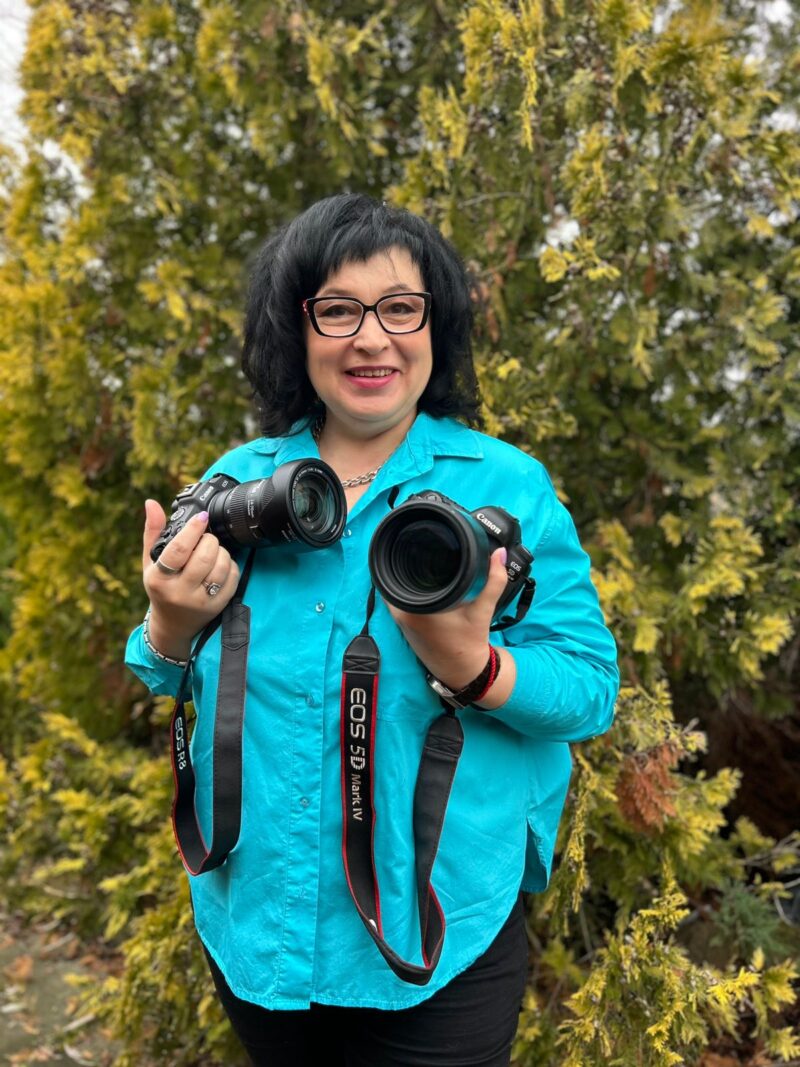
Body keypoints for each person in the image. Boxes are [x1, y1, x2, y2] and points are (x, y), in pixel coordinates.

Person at [125, 193, 619, 1067]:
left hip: (440, 929)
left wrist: (474, 667)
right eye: (338, 311)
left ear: (435, 324)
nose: (371, 338)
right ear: (298, 328)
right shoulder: (243, 483)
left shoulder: (507, 484)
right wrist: (169, 623)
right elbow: (164, 670)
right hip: (258, 923)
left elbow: (588, 687)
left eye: (399, 307)